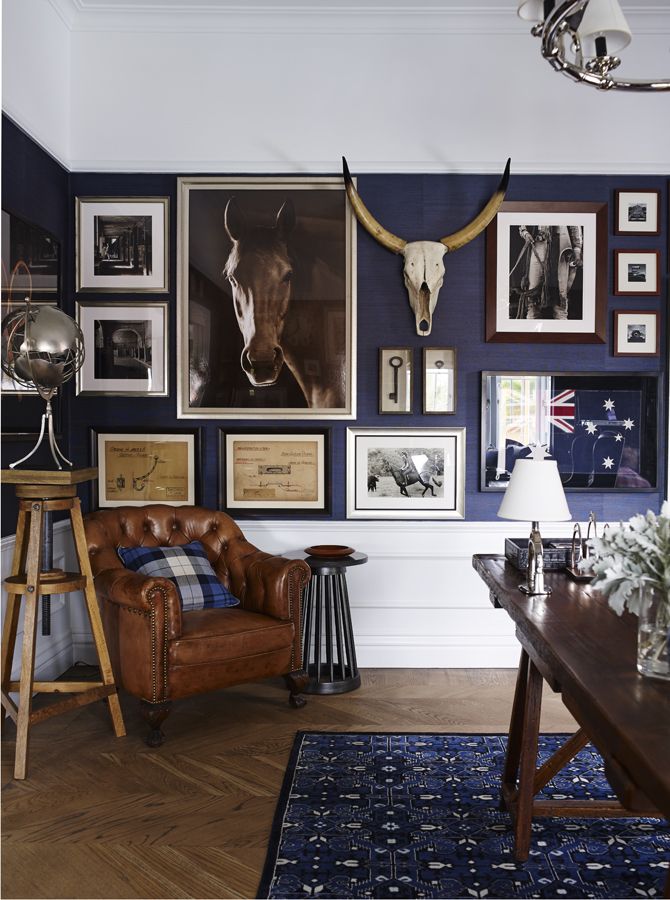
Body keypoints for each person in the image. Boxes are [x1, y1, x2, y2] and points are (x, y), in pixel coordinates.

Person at [514, 224, 583, 320]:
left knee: (560, 294)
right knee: (533, 292)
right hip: (537, 243)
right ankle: (531, 326)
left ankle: (561, 328)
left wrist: (577, 249)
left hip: (561, 246)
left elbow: (575, 224)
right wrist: (525, 232)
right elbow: (523, 218)